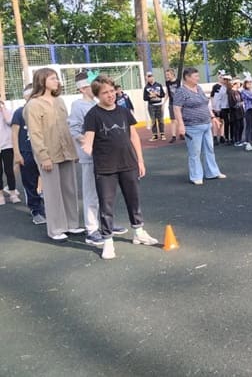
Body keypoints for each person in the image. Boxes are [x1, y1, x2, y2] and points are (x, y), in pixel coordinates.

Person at [82, 75, 159, 259]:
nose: (110, 95)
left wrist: (140, 160)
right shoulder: (93, 115)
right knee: (106, 204)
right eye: (105, 93)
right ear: (97, 95)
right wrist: (87, 147)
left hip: (128, 163)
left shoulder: (123, 111)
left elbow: (134, 136)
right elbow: (88, 141)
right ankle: (108, 241)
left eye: (112, 91)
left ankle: (139, 232)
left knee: (133, 200)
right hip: (105, 168)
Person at [68, 71, 128, 246]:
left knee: (106, 193)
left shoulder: (98, 104)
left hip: (105, 157)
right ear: (82, 88)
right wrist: (90, 143)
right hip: (90, 157)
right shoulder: (78, 105)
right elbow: (74, 130)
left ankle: (106, 224)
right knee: (91, 193)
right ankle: (92, 229)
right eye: (90, 86)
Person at [24, 68, 84, 241]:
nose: (57, 81)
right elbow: (35, 134)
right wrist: (44, 157)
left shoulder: (59, 101)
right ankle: (56, 228)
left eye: (56, 78)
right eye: (52, 78)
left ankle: (71, 224)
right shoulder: (33, 105)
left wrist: (73, 151)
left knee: (69, 190)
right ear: (42, 81)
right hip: (49, 155)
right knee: (52, 193)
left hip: (66, 152)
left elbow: (66, 127)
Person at [172, 67, 226, 185]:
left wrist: (213, 118)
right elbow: (176, 109)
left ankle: (212, 172)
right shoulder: (181, 91)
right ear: (187, 77)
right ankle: (196, 176)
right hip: (192, 126)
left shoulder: (199, 88)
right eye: (195, 76)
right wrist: (181, 125)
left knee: (209, 149)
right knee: (195, 152)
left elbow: (206, 104)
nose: (198, 78)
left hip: (206, 124)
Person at [11, 85, 46, 223]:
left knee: (46, 180)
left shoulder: (42, 110)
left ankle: (45, 207)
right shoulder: (19, 112)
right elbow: (14, 134)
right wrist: (17, 153)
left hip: (42, 152)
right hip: (27, 152)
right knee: (29, 182)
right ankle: (35, 210)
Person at [1, 99, 20, 205]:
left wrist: (3, 109)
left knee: (9, 171)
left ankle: (12, 193)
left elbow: (9, 121)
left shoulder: (8, 111)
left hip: (7, 145)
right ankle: (0, 196)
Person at [143, 71, 166, 141]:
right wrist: (150, 96)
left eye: (150, 76)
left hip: (159, 105)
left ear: (153, 77)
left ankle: (162, 134)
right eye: (148, 77)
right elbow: (144, 98)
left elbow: (163, 95)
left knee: (161, 120)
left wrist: (158, 94)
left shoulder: (159, 85)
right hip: (151, 106)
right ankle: (155, 135)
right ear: (146, 78)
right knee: (153, 121)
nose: (149, 78)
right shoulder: (146, 87)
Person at [210, 71, 228, 144]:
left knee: (222, 121)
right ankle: (215, 136)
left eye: (223, 77)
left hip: (223, 107)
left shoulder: (226, 86)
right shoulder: (215, 86)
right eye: (220, 77)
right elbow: (212, 96)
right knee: (216, 121)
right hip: (216, 107)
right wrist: (213, 106)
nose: (222, 78)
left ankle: (222, 136)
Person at [165, 68, 181, 143]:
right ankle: (173, 136)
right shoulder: (167, 83)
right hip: (171, 102)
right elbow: (167, 93)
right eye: (166, 75)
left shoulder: (178, 81)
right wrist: (164, 102)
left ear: (172, 74)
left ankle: (181, 133)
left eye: (168, 75)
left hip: (179, 102)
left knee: (180, 118)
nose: (167, 76)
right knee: (173, 119)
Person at [228, 78, 245, 147]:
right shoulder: (231, 92)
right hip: (235, 113)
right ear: (235, 84)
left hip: (240, 112)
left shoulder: (238, 92)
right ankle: (236, 140)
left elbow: (242, 100)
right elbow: (232, 104)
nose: (240, 84)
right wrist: (240, 104)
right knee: (237, 126)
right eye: (238, 83)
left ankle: (240, 139)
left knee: (241, 126)